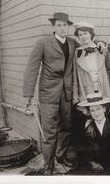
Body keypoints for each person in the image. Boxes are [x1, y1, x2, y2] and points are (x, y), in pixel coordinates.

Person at [23, 12, 78, 175]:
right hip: (48, 94)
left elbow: (88, 43)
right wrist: (28, 94)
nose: (62, 28)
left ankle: (61, 158)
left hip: (66, 94)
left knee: (66, 129)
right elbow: (32, 67)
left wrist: (101, 44)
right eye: (59, 25)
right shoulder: (43, 43)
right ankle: (49, 166)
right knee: (50, 132)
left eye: (65, 25)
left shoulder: (73, 43)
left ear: (68, 27)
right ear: (53, 27)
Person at [76, 93, 110, 175]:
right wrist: (92, 163)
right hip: (96, 166)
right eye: (92, 110)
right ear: (90, 113)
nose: (96, 113)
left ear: (104, 109)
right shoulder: (88, 128)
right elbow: (83, 150)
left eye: (98, 109)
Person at [72, 21, 110, 105]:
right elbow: (75, 76)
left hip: (102, 88)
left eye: (85, 33)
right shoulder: (77, 53)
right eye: (80, 35)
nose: (83, 37)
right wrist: (75, 97)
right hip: (87, 90)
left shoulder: (100, 49)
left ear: (91, 34)